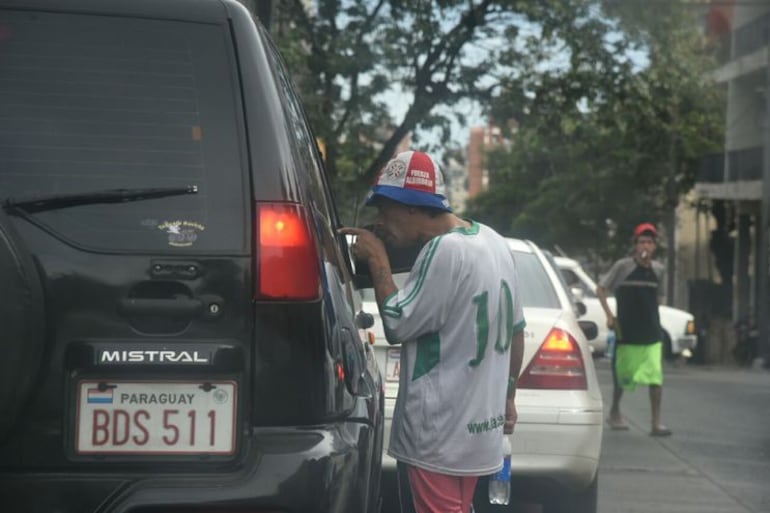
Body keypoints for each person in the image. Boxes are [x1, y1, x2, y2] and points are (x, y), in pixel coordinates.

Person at [339, 150, 526, 513]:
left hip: (438, 431)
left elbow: (396, 322)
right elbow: (517, 332)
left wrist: (377, 257)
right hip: (478, 429)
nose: (382, 222)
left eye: (384, 210)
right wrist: (508, 398)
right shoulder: (494, 242)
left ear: (409, 207)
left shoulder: (443, 250)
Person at [596, 222, 672, 437]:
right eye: (641, 242)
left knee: (656, 378)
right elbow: (600, 288)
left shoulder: (658, 270)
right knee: (622, 377)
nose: (645, 245)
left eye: (649, 241)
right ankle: (614, 411)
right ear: (635, 245)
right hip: (626, 332)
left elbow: (659, 297)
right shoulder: (623, 267)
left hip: (651, 333)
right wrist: (610, 316)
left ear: (654, 246)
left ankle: (656, 423)